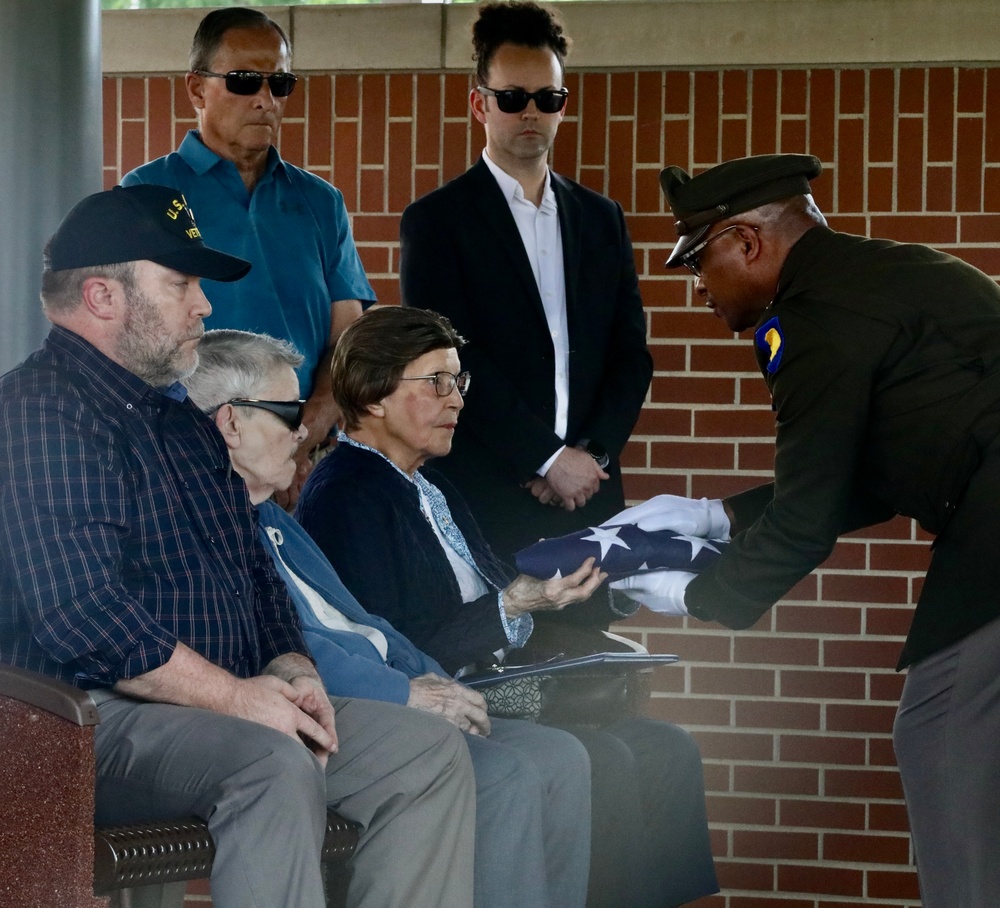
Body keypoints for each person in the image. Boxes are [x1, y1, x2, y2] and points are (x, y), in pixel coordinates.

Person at [0, 184, 476, 908]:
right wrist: (239, 700)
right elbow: (83, 614)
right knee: (269, 760)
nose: (204, 306)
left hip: (212, 707)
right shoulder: (39, 413)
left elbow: (255, 572)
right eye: (181, 283)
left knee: (424, 750)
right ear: (101, 296)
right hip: (78, 721)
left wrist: (292, 668)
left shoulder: (180, 423)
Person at [614, 151, 1000, 908]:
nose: (698, 289)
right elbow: (870, 476)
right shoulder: (880, 274)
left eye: (699, 263)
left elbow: (808, 517)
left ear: (747, 243)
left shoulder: (811, 320)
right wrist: (714, 516)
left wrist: (702, 595)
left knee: (939, 729)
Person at [296, 305, 719, 908]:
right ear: (372, 395)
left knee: (666, 747)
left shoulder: (427, 484)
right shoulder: (346, 494)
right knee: (590, 758)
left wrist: (609, 578)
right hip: (435, 703)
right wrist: (514, 604)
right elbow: (390, 654)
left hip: (499, 684)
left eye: (459, 382)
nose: (458, 400)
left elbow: (504, 591)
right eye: (437, 382)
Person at [184, 327, 593, 908]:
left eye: (459, 381)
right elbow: (283, 647)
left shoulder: (277, 522)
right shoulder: (261, 510)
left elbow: (371, 626)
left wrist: (434, 682)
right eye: (287, 412)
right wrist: (410, 690)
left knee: (562, 755)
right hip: (314, 713)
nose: (304, 430)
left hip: (388, 694)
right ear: (229, 424)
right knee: (506, 774)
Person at [398, 1, 653, 636]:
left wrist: (586, 458)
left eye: (548, 97)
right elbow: (452, 361)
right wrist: (544, 459)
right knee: (506, 681)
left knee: (590, 684)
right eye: (512, 97)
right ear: (479, 104)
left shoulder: (601, 217)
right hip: (489, 496)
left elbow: (631, 354)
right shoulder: (437, 222)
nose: (530, 112)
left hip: (590, 498)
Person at [122, 6, 374, 505]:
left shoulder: (320, 201)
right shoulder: (148, 191)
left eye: (279, 84)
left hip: (307, 456)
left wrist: (305, 432)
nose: (264, 100)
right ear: (197, 89)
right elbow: (136, 340)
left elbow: (348, 332)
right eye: (243, 82)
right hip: (189, 456)